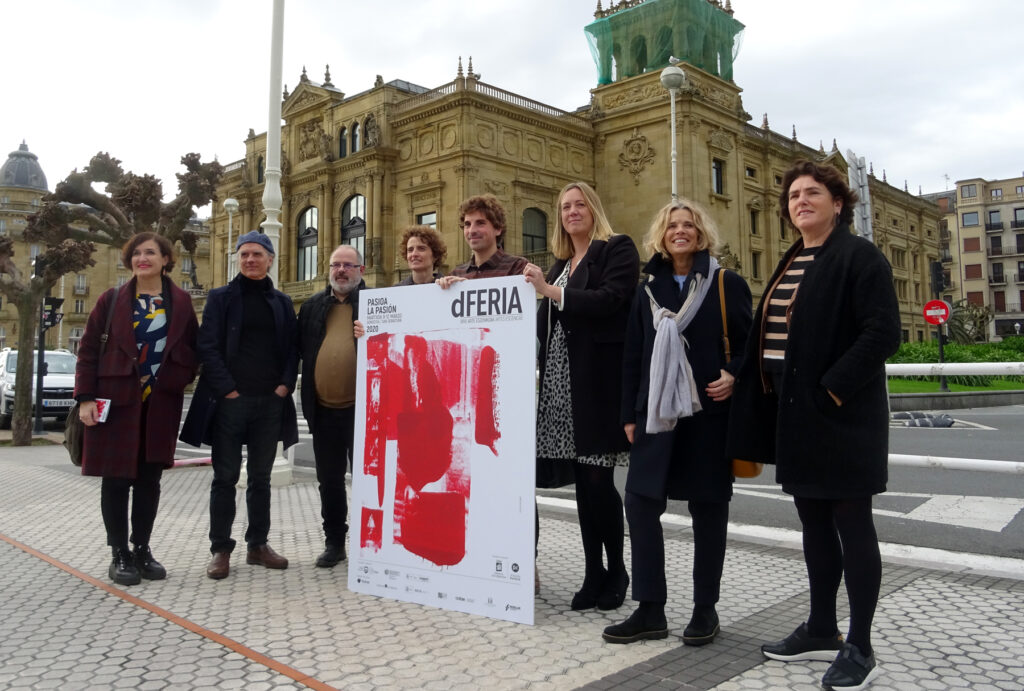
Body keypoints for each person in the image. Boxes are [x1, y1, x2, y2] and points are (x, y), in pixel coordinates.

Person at [727, 160, 901, 691]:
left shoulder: (859, 256)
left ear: (838, 203)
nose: (800, 201)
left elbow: (883, 333)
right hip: (796, 412)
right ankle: (822, 626)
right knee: (813, 523)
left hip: (842, 415)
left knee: (853, 524)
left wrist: (831, 389)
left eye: (812, 193)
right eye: (793, 196)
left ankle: (860, 645)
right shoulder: (793, 257)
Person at [603, 200, 751, 645]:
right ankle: (651, 609)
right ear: (662, 236)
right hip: (656, 415)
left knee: (708, 510)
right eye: (672, 226)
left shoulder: (726, 283)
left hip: (708, 414)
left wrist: (734, 374)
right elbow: (633, 354)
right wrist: (628, 415)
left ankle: (705, 609)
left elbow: (750, 344)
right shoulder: (648, 290)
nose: (680, 231)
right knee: (640, 504)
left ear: (701, 234)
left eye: (688, 225)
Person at [524, 181, 639, 611]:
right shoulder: (560, 264)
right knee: (583, 488)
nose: (572, 211)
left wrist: (550, 291)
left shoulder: (617, 249)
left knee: (598, 480)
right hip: (558, 383)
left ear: (593, 209)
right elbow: (538, 319)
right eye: (565, 207)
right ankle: (593, 573)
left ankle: (617, 571)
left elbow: (610, 300)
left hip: (597, 384)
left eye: (579, 205)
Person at [74, 232, 199, 585]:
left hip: (160, 404)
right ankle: (119, 553)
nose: (142, 258)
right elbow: (88, 351)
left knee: (149, 480)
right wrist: (85, 398)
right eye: (136, 254)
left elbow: (193, 348)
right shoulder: (111, 299)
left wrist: (179, 376)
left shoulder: (181, 302)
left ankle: (141, 548)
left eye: (150, 253)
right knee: (115, 480)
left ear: (165, 259)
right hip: (116, 403)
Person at [180, 230, 299, 580]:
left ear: (270, 260)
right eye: (244, 254)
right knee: (225, 477)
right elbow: (208, 346)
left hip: (270, 402)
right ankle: (220, 549)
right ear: (237, 258)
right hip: (230, 403)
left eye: (257, 254)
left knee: (261, 478)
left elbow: (292, 349)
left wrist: (284, 386)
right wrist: (227, 389)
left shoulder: (281, 301)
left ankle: (258, 545)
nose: (250, 260)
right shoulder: (220, 298)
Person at [298, 244, 366, 567]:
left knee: (368, 482)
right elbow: (297, 350)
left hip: (363, 412)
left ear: (360, 270)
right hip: (324, 410)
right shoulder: (312, 306)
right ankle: (334, 543)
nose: (341, 270)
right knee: (329, 481)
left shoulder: (376, 303)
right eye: (335, 265)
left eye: (348, 265)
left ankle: (369, 546)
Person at [436, 194, 528, 288]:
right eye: (467, 224)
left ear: (498, 229)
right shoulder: (456, 274)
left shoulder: (518, 267)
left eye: (480, 223)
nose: (472, 231)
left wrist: (470, 288)